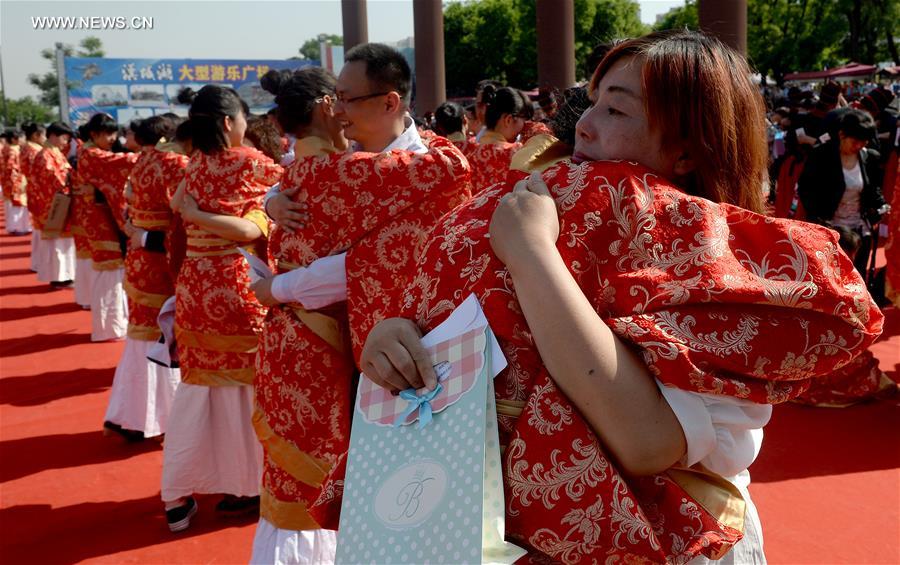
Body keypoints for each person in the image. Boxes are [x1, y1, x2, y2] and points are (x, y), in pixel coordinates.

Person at [329, 30, 883, 563]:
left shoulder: (719, 262)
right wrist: (399, 335)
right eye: (592, 103)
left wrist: (532, 255)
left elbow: (647, 443)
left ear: (689, 151)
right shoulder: (530, 205)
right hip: (492, 534)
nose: (585, 127)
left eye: (616, 110)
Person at [249, 60, 471, 564]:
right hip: (330, 350)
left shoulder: (428, 166)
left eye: (347, 99)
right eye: (335, 100)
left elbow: (357, 264)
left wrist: (278, 286)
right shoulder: (340, 165)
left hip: (411, 353)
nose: (337, 110)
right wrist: (271, 201)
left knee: (412, 491)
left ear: (390, 102)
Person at [162, 84, 282, 532]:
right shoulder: (252, 164)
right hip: (237, 287)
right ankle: (253, 482)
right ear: (231, 122)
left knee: (198, 392)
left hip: (195, 288)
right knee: (252, 391)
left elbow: (176, 206)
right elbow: (252, 231)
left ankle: (177, 494)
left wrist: (194, 216)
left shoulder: (192, 165)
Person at [103, 116, 185, 442]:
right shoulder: (175, 164)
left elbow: (127, 210)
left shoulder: (139, 163)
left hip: (139, 263)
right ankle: (161, 419)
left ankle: (130, 415)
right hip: (161, 261)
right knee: (163, 340)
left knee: (140, 340)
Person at [798, 109, 885, 275]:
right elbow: (806, 190)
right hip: (830, 231)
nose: (859, 146)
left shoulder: (868, 157)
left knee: (856, 279)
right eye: (855, 141)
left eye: (864, 142)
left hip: (859, 231)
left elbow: (873, 189)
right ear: (841, 135)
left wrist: (879, 205)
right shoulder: (821, 156)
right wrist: (820, 221)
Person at [76, 113, 139, 341]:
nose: (113, 138)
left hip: (98, 215)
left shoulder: (88, 151)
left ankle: (111, 324)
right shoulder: (92, 154)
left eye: (114, 133)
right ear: (94, 134)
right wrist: (150, 157)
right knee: (108, 272)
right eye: (107, 133)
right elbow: (119, 163)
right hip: (98, 219)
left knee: (110, 272)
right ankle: (107, 327)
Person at [29, 122, 77, 287]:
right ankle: (58, 277)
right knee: (56, 243)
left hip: (59, 203)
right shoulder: (46, 155)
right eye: (65, 138)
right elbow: (56, 181)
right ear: (54, 136)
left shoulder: (54, 152)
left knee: (63, 243)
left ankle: (65, 275)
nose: (66, 142)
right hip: (53, 206)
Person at [463, 85, 527, 191]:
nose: (525, 124)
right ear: (508, 119)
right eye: (524, 118)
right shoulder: (516, 152)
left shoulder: (469, 153)